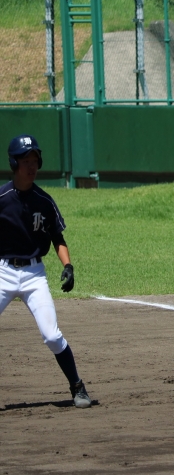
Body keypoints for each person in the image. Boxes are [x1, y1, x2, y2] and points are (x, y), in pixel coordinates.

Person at [0, 135, 92, 408]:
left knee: (52, 335)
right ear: (14, 164)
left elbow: (57, 238)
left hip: (34, 276)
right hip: (3, 272)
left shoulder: (44, 201)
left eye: (35, 161)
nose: (32, 166)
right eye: (26, 161)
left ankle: (77, 385)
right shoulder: (2, 198)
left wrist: (68, 266)